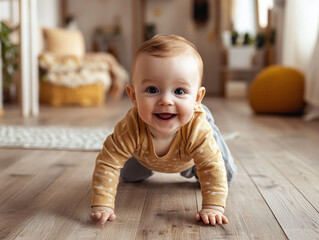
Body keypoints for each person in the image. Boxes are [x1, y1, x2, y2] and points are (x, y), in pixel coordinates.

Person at [90, 35, 237, 226]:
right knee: (128, 176)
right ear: (133, 96)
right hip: (145, 155)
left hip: (191, 154)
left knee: (225, 175)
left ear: (197, 97)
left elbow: (211, 167)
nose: (166, 101)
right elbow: (108, 163)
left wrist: (213, 207)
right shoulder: (130, 127)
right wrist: (103, 205)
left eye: (179, 91)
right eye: (152, 90)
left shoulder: (197, 130)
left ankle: (204, 135)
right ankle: (151, 163)